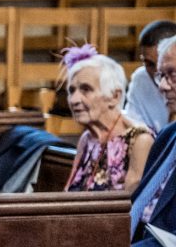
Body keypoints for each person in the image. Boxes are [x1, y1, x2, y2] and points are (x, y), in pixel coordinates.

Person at [62, 47, 152, 192]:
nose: (74, 100)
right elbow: (68, 192)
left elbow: (134, 206)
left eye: (86, 89)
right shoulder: (87, 138)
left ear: (114, 96)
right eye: (71, 91)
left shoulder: (139, 140)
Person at [130, 36, 176, 247]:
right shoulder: (169, 135)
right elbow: (141, 207)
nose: (162, 86)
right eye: (160, 75)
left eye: (171, 75)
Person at [124, 20, 176, 133]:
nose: (162, 83)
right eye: (150, 64)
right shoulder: (140, 79)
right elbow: (133, 129)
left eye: (169, 71)